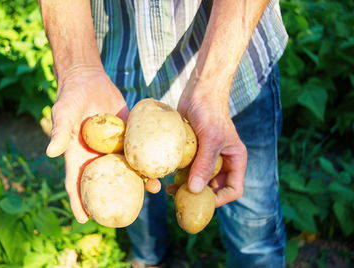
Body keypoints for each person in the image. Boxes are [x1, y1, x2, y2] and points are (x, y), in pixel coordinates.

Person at [39, 0, 288, 267]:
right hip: (113, 70)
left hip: (230, 62)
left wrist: (212, 88)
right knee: (142, 206)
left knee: (253, 219)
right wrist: (79, 69)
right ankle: (149, 259)